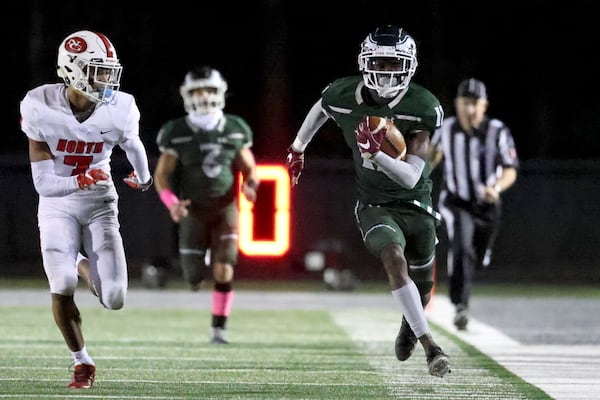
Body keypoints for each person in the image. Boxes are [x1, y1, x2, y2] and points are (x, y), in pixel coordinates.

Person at [285, 25, 450, 378]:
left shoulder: (422, 106)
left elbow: (411, 177)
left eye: (395, 65)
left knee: (422, 287)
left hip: (415, 204)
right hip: (374, 204)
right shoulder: (344, 94)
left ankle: (411, 323)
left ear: (409, 66)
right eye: (381, 63)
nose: (387, 73)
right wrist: (298, 148)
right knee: (393, 259)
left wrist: (378, 156)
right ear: (365, 62)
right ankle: (430, 345)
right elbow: (321, 108)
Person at [19, 30, 153, 389]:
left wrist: (144, 178)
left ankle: (78, 261)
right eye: (99, 71)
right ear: (74, 69)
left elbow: (133, 144)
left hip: (100, 201)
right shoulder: (39, 105)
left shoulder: (121, 107)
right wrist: (80, 180)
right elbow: (43, 185)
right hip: (58, 201)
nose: (108, 80)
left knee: (114, 298)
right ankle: (83, 362)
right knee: (60, 281)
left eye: (111, 71)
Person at [153, 66, 259, 344]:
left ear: (220, 92)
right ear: (187, 95)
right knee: (194, 279)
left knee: (224, 268)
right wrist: (171, 203)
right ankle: (199, 270)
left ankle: (218, 329)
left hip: (225, 208)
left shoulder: (235, 128)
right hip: (193, 211)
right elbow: (161, 175)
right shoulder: (176, 131)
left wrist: (250, 184)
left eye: (209, 90)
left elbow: (250, 168)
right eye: (197, 91)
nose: (203, 96)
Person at [429, 78, 519, 330]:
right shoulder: (446, 129)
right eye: (465, 103)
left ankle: (477, 261)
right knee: (461, 247)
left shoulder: (497, 131)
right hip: (456, 201)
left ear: (484, 105)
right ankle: (460, 305)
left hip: (487, 204)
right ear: (457, 104)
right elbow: (430, 159)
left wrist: (497, 187)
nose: (469, 109)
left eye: (474, 103)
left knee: (476, 257)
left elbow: (511, 169)